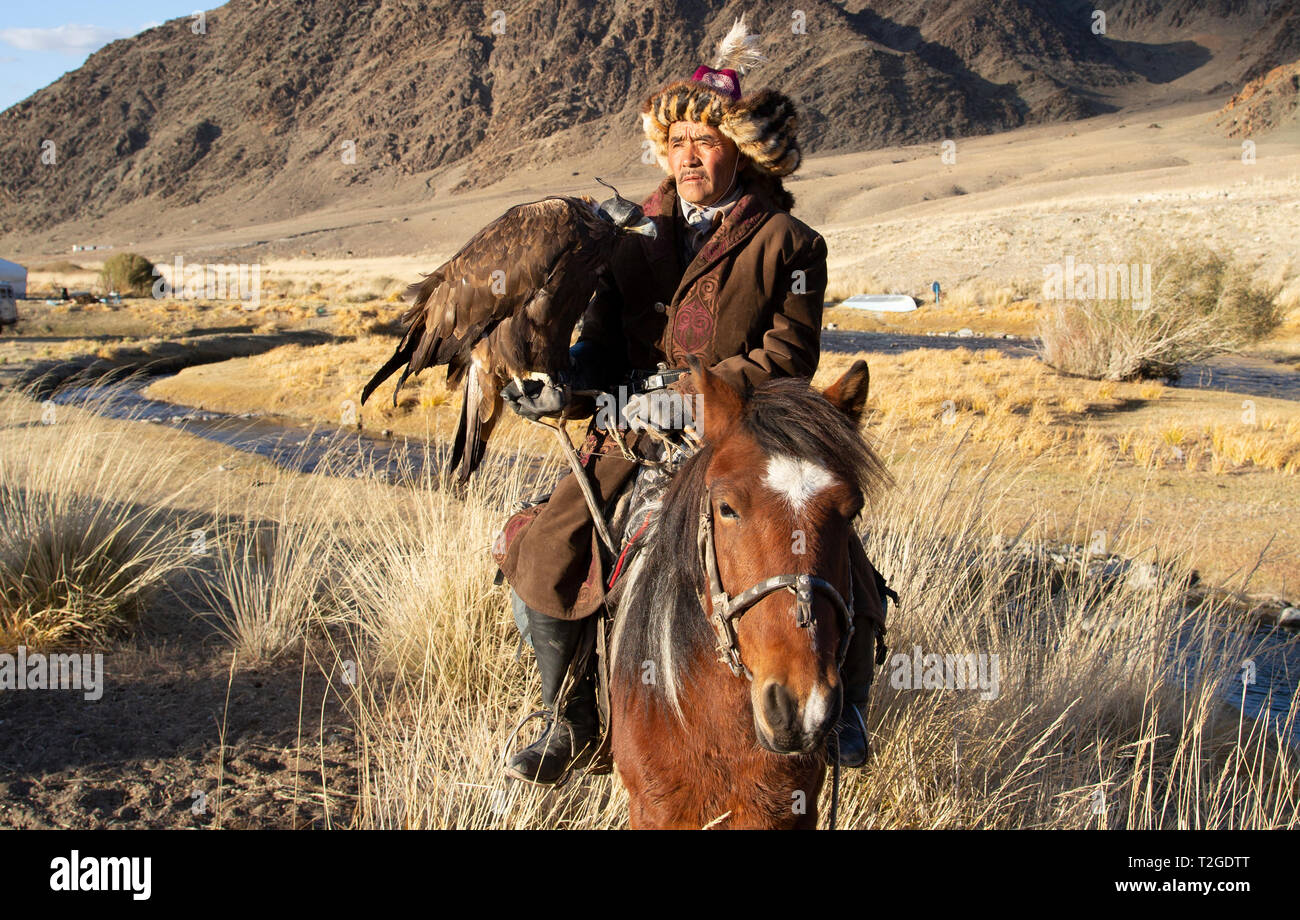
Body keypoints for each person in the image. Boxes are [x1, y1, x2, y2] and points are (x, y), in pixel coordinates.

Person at [496, 17, 889, 785]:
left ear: (738, 148)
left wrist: (680, 396)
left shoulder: (791, 243)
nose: (687, 157)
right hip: (631, 434)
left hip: (747, 427)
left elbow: (788, 355)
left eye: (704, 141)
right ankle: (567, 714)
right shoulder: (634, 236)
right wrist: (565, 387)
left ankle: (844, 708)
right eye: (674, 142)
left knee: (845, 560)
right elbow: (602, 342)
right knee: (544, 550)